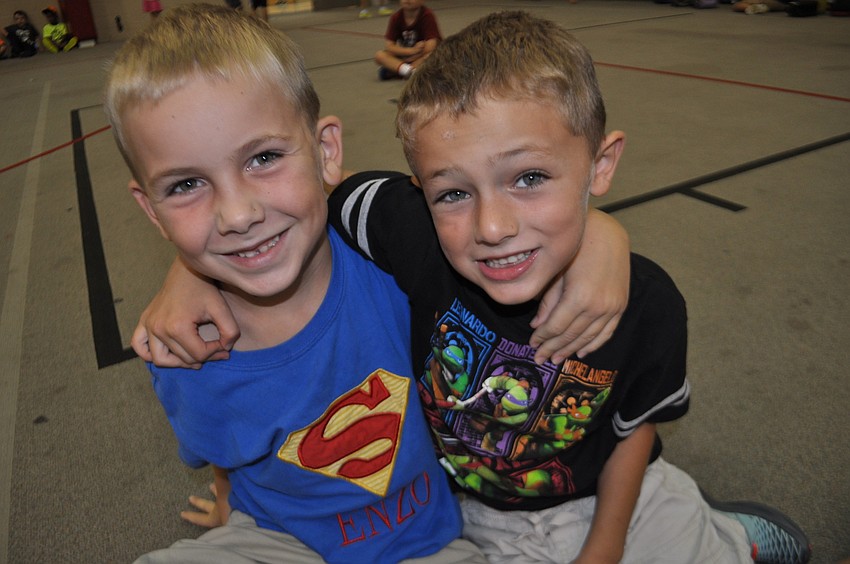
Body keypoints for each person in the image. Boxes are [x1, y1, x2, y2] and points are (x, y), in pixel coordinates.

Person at [139, 10, 814, 564]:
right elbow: (296, 202)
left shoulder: (647, 303)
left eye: (528, 178)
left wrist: (605, 234)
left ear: (602, 164)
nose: (492, 227)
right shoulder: (411, 233)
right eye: (453, 192)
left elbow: (636, 428)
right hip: (483, 522)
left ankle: (732, 541)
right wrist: (189, 270)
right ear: (420, 193)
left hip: (628, 501)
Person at [103, 5, 486, 563]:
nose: (237, 214)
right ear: (151, 210)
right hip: (283, 540)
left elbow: (507, 229)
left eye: (262, 157)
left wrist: (603, 242)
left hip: (432, 541)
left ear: (326, 151)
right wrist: (229, 508)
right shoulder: (182, 348)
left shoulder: (392, 259)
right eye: (187, 184)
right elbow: (225, 451)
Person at [374, 0, 440, 80]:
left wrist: (417, 54)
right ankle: (409, 71)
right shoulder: (396, 17)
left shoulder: (427, 15)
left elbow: (431, 46)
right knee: (379, 55)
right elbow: (389, 46)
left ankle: (400, 70)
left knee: (432, 56)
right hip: (407, 56)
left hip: (423, 56)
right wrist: (411, 51)